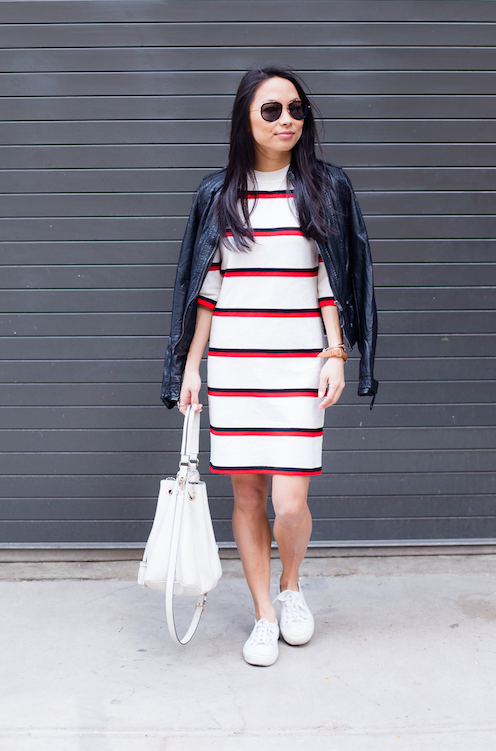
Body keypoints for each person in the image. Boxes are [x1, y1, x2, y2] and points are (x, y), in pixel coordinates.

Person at [161, 66, 377, 666]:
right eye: (272, 111)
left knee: (289, 503)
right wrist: (192, 368)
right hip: (234, 367)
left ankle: (291, 588)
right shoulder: (219, 193)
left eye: (296, 110)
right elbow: (205, 289)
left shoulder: (325, 187)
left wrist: (335, 353)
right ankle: (262, 614)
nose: (287, 121)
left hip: (298, 364)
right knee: (249, 497)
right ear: (246, 120)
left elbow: (331, 280)